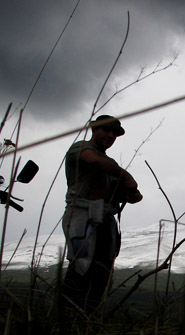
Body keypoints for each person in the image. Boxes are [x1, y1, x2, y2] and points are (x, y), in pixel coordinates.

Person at [62, 115, 143, 312]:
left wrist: (128, 192)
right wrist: (125, 175)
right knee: (81, 267)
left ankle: (88, 320)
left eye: (114, 133)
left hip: (106, 220)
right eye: (105, 130)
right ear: (93, 129)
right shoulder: (80, 148)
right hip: (81, 217)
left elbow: (132, 195)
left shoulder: (110, 162)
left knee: (102, 272)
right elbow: (93, 161)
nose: (110, 135)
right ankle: (65, 319)